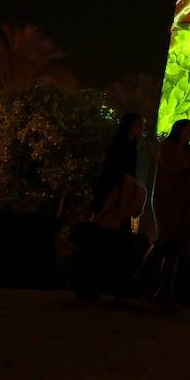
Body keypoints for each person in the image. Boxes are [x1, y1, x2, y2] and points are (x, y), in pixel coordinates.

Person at [72, 112, 145, 302]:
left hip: (121, 201)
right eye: (138, 124)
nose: (141, 128)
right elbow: (113, 175)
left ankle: (113, 288)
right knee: (103, 244)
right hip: (111, 200)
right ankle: (92, 287)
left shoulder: (131, 148)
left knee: (115, 246)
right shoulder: (120, 147)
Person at [135, 118, 190, 310]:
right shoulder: (167, 147)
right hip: (166, 200)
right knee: (166, 240)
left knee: (176, 244)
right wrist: (188, 168)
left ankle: (165, 292)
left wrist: (189, 168)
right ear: (181, 130)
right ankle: (139, 282)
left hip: (182, 202)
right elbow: (173, 168)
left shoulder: (189, 152)